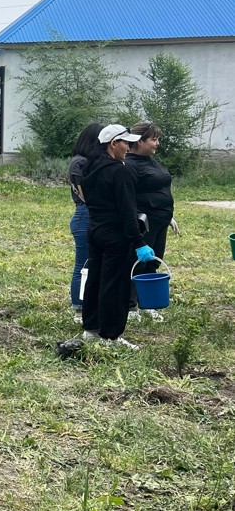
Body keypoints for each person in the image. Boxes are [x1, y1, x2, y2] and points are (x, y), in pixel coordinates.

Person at [80, 124, 157, 350]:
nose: (129, 147)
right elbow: (126, 210)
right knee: (115, 284)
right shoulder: (119, 171)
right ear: (113, 144)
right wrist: (139, 242)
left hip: (95, 231)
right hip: (115, 234)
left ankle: (91, 328)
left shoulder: (89, 168)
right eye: (126, 143)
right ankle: (111, 335)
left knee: (95, 279)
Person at [126, 121, 177, 323]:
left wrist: (169, 216)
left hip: (160, 221)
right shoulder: (129, 165)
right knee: (136, 263)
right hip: (143, 223)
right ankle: (130, 306)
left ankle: (147, 303)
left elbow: (160, 189)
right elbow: (128, 198)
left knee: (153, 262)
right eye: (153, 139)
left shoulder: (151, 161)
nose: (157, 144)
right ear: (139, 141)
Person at [67, 123, 105, 325]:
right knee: (82, 265)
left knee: (92, 263)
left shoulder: (89, 161)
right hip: (85, 215)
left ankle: (90, 305)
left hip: (92, 214)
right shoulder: (79, 163)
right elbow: (86, 195)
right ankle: (79, 308)